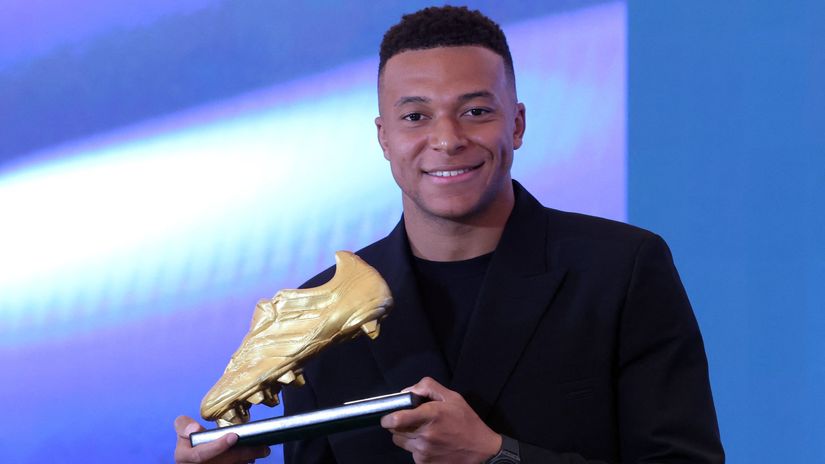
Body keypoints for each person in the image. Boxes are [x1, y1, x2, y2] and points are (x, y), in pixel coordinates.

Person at [174, 6, 724, 463]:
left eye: (476, 110)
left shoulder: (620, 269)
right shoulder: (322, 311)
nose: (447, 139)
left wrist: (495, 455)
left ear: (517, 124)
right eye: (415, 117)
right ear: (384, 137)